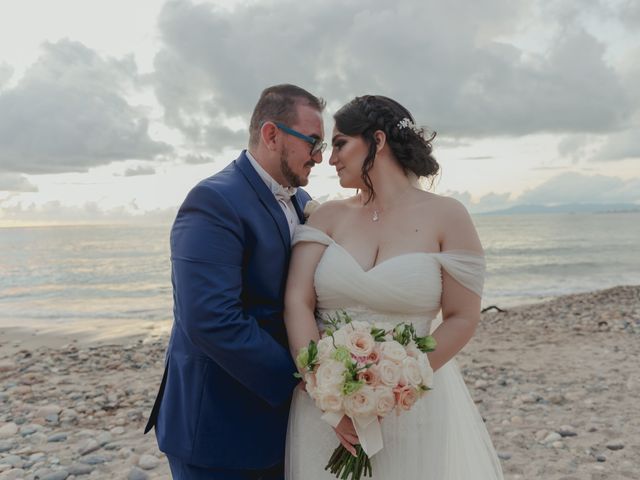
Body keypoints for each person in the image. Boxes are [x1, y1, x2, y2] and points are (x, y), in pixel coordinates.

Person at [283, 95, 504, 479]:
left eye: (339, 144)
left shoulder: (447, 216)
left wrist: (399, 382)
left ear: (378, 141)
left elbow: (462, 317)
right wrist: (325, 389)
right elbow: (296, 302)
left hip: (410, 405)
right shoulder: (326, 216)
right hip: (327, 410)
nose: (329, 158)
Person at [144, 84, 326, 479]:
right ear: (271, 134)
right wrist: (307, 378)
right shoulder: (214, 201)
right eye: (312, 141)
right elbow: (211, 317)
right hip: (218, 429)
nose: (320, 156)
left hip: (277, 427)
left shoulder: (299, 201)